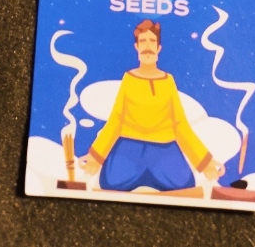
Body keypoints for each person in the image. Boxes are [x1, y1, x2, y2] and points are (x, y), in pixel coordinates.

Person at [78, 20, 224, 194]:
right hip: (129, 148)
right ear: (137, 47)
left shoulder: (168, 81)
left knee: (185, 184)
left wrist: (205, 162)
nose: (147, 47)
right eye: (143, 41)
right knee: (110, 182)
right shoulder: (129, 79)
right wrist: (95, 157)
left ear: (159, 48)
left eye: (152, 41)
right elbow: (116, 120)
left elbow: (180, 124)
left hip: (164, 150)